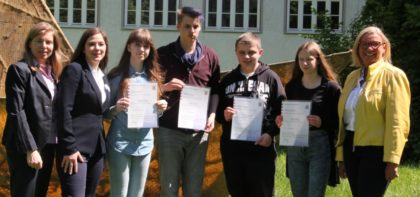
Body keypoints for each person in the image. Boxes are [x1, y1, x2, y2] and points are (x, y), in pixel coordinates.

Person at [335, 26, 411, 196]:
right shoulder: (351, 78)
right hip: (351, 148)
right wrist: (341, 157)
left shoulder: (394, 76)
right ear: (357, 48)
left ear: (385, 47)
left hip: (377, 152)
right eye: (364, 45)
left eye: (375, 44)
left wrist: (393, 160)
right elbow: (344, 120)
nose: (369, 49)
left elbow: (398, 122)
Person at [156, 6, 220, 196]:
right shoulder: (163, 54)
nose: (191, 31)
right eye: (187, 26)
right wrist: (164, 87)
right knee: (169, 187)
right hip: (168, 130)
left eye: (195, 26)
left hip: (198, 132)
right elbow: (150, 87)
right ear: (178, 27)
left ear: (200, 28)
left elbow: (215, 90)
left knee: (194, 188)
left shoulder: (210, 56)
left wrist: (212, 115)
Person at [216, 32, 286, 197]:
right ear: (236, 52)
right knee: (237, 192)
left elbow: (282, 111)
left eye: (251, 52)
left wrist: (270, 134)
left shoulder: (271, 78)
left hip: (261, 148)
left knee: (262, 193)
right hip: (233, 150)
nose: (247, 56)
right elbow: (216, 112)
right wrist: (223, 115)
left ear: (260, 52)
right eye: (242, 52)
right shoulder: (227, 80)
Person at [2, 22, 66, 197]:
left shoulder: (55, 73)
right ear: (29, 43)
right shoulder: (19, 70)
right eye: (39, 41)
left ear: (54, 46)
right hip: (25, 147)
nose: (44, 46)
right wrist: (30, 149)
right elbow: (16, 111)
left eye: (48, 42)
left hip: (47, 144)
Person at [105, 28, 167, 197]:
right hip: (119, 143)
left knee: (137, 195)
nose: (142, 49)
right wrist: (115, 108)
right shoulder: (115, 76)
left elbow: (153, 114)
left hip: (145, 143)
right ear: (129, 47)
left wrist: (160, 109)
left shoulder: (154, 77)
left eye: (146, 46)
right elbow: (104, 114)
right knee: (119, 194)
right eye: (137, 45)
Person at [275, 41, 341, 197]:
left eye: (309, 59)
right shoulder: (291, 87)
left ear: (318, 60)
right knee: (298, 193)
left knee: (315, 194)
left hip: (320, 145)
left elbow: (341, 121)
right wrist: (281, 120)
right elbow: (285, 114)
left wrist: (321, 122)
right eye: (301, 59)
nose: (304, 63)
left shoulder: (331, 88)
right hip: (295, 145)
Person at [56, 27, 110, 197]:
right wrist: (69, 148)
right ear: (84, 47)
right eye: (91, 44)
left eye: (101, 44)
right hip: (76, 150)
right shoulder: (75, 70)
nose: (97, 48)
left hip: (97, 150)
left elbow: (99, 113)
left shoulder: (102, 76)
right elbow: (63, 109)